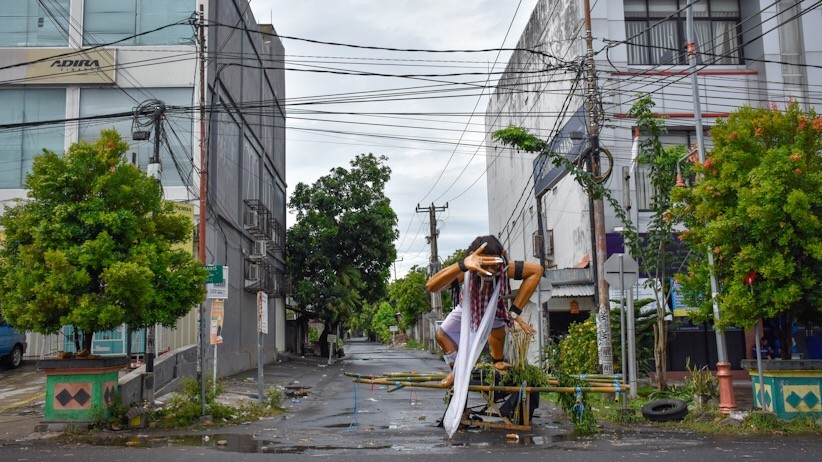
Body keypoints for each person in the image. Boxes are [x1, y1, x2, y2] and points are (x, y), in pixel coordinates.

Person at [426, 235, 543, 388]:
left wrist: (515, 311)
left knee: (497, 333)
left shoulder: (505, 266)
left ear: (502, 255)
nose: (489, 271)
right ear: (472, 257)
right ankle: (458, 372)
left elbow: (536, 271)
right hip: (467, 308)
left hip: (494, 309)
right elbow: (431, 286)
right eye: (484, 264)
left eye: (493, 265)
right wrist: (462, 265)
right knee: (442, 335)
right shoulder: (465, 270)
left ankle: (497, 361)